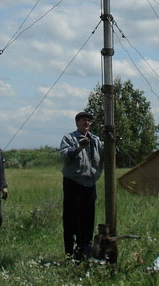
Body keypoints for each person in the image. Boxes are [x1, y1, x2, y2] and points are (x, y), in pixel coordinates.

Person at [59, 111, 104, 261]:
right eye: (84, 120)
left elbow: (106, 153)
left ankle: (85, 249)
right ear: (77, 123)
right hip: (74, 183)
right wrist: (78, 148)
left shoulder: (96, 140)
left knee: (88, 218)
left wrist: (113, 148)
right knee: (72, 218)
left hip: (90, 184)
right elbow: (65, 156)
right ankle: (70, 252)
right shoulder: (69, 138)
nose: (87, 123)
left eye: (89, 121)